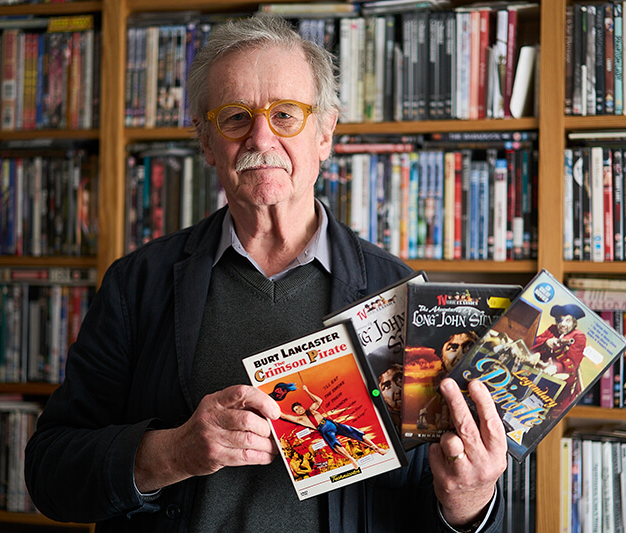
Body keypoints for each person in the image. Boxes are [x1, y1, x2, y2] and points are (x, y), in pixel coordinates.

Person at [25, 15, 506, 533]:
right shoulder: (136, 284)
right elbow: (50, 472)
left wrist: (470, 499)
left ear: (325, 133)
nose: (261, 137)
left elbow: (425, 499)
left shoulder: (405, 298)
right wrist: (170, 452)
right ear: (207, 143)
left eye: (285, 115)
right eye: (235, 117)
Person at [278, 384, 386, 470]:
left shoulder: (311, 409)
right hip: (324, 429)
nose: (299, 410)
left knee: (355, 432)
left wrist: (307, 391)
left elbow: (319, 401)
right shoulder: (299, 419)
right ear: (295, 413)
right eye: (296, 410)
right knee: (335, 444)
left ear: (301, 406)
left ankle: (377, 448)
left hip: (331, 423)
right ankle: (351, 459)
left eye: (299, 407)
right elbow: (284, 416)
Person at [531, 303, 588, 414]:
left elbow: (571, 365)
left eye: (567, 321)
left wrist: (554, 367)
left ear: (574, 323)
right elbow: (535, 340)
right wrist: (546, 342)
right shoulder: (552, 330)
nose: (562, 324)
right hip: (541, 375)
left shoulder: (579, 336)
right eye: (560, 320)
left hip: (562, 385)